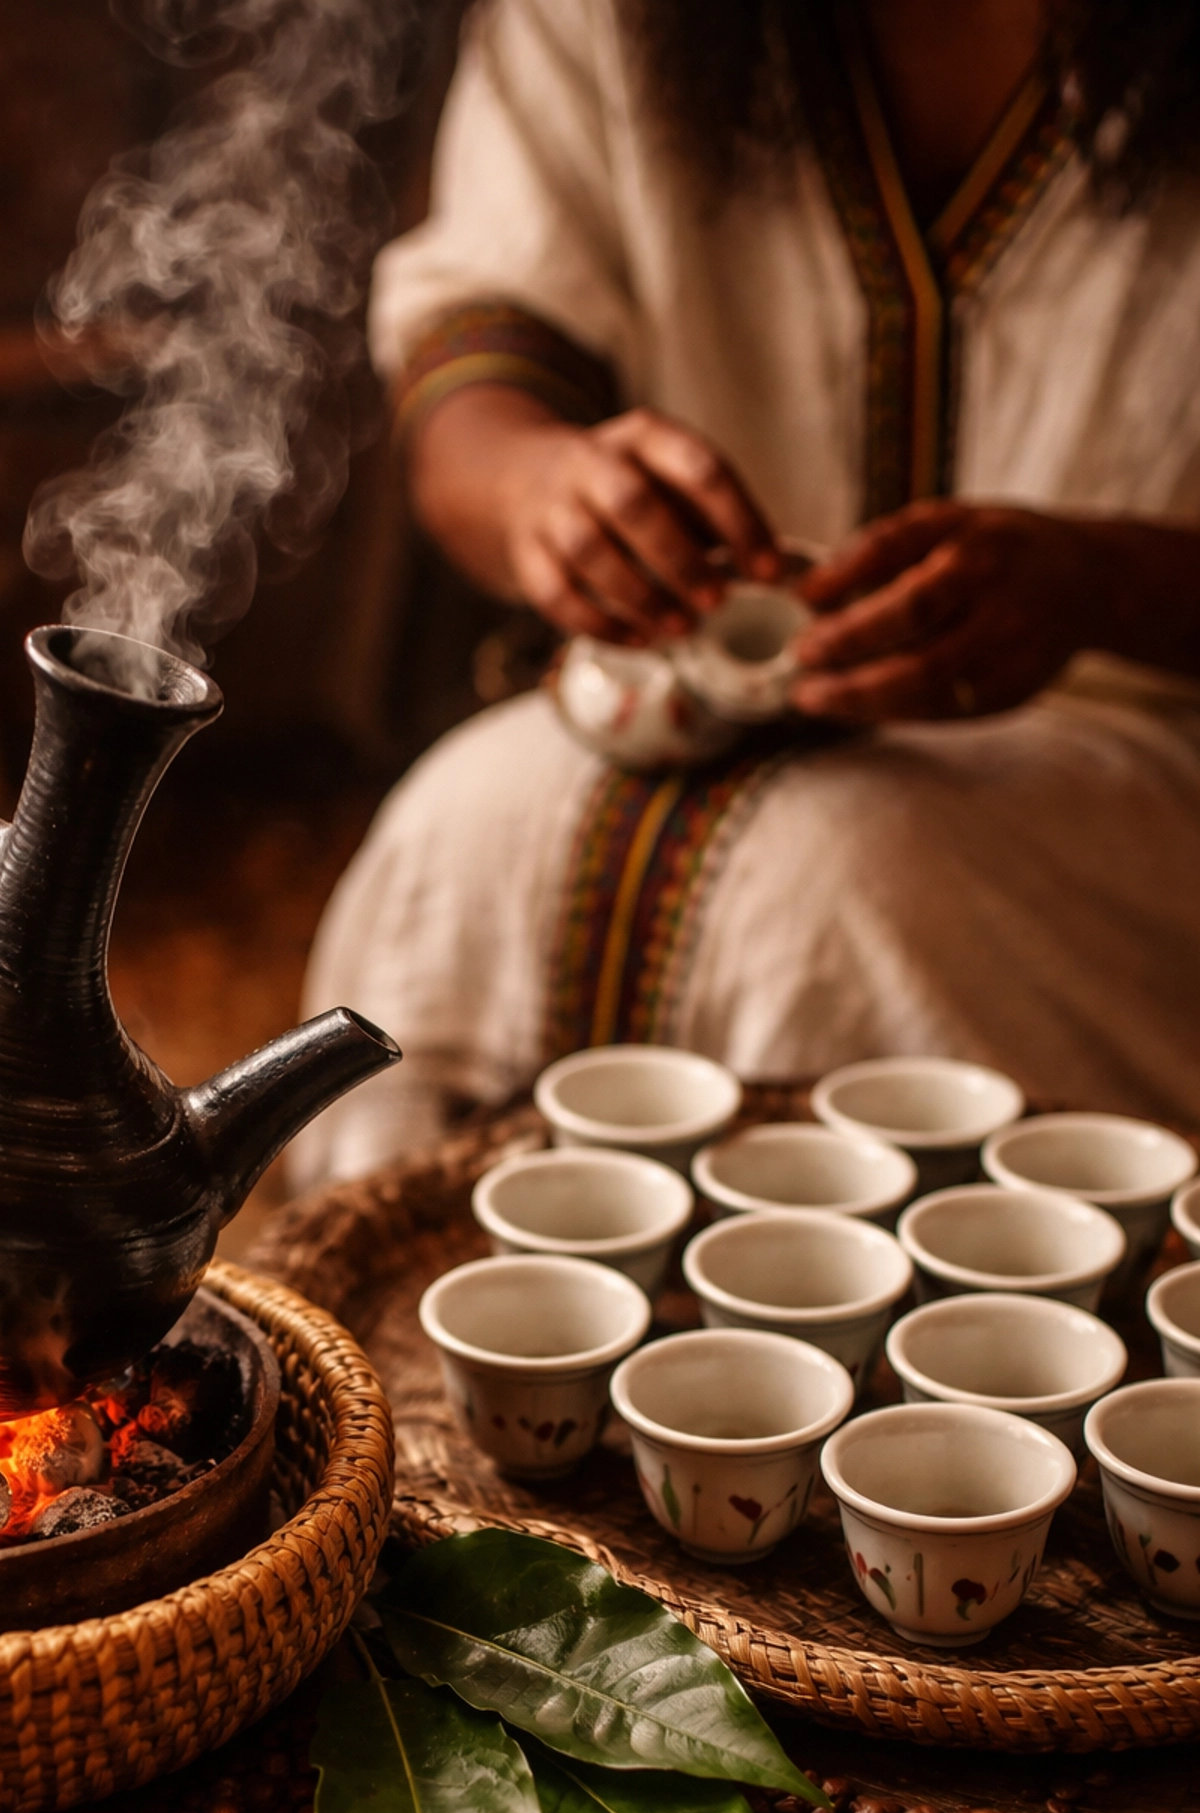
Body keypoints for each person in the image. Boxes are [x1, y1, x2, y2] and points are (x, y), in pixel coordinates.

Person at [294, 0, 1200, 1187]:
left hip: (1146, 739)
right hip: (702, 710)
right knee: (469, 829)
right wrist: (540, 491)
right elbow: (479, 360)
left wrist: (1103, 587)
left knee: (837, 885)